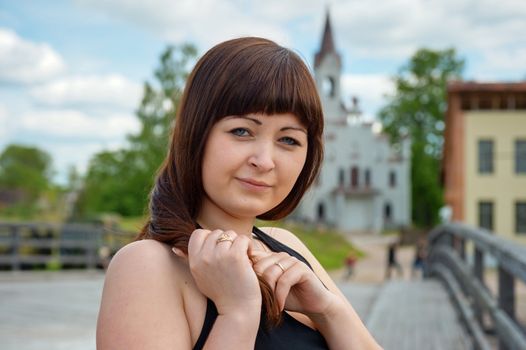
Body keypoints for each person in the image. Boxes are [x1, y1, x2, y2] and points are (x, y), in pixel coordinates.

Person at [96, 37, 382, 350]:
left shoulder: (285, 248)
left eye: (288, 140)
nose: (265, 161)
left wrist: (327, 310)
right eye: (242, 131)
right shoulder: (148, 266)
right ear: (196, 134)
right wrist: (238, 313)